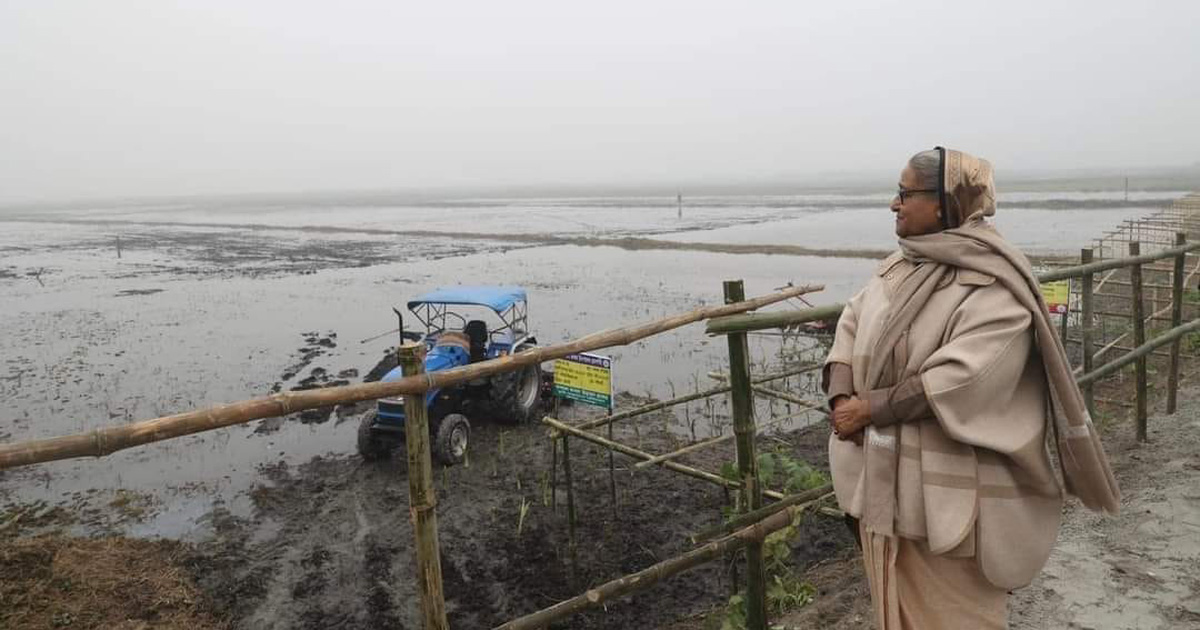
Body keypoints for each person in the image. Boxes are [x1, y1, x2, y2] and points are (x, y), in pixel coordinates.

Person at [822, 147, 1120, 629]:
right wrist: (841, 397)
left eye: (905, 193)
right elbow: (850, 323)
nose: (893, 205)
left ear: (945, 202)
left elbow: (965, 376)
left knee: (957, 614)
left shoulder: (993, 281)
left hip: (944, 499)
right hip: (882, 480)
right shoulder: (899, 265)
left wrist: (871, 409)